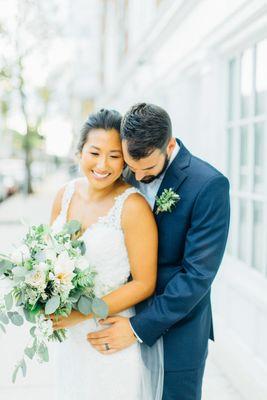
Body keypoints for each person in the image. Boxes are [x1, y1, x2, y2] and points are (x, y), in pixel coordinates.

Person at [88, 103, 230, 400]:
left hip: (177, 330)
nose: (138, 177)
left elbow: (197, 276)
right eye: (132, 167)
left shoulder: (209, 185)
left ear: (169, 144)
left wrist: (137, 327)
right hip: (118, 317)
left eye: (149, 169)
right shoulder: (127, 170)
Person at [50, 109, 164, 400]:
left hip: (109, 336)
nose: (103, 164)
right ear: (79, 152)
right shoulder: (63, 195)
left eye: (114, 156)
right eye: (95, 152)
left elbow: (144, 283)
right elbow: (48, 258)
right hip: (68, 341)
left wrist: (83, 313)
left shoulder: (133, 206)